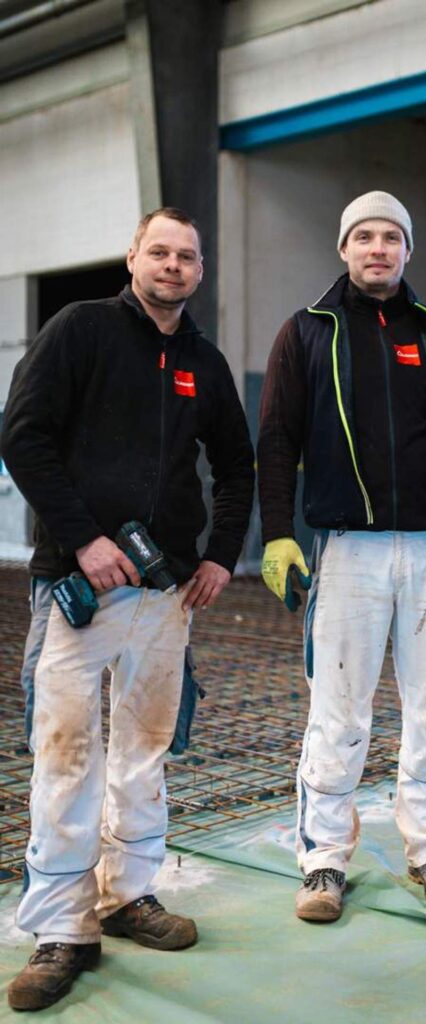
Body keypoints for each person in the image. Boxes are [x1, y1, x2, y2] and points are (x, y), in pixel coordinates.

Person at [1, 207, 255, 1010]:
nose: (173, 265)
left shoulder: (204, 363)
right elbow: (22, 435)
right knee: (67, 754)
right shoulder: (80, 330)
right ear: (133, 257)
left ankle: (129, 893)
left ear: (200, 270)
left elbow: (238, 465)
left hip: (164, 593)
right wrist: (83, 541)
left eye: (187, 256)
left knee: (145, 753)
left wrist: (219, 555)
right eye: (160, 252)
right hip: (81, 590)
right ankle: (61, 928)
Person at [257, 190, 426, 923]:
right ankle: (321, 863)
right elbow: (276, 436)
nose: (377, 248)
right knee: (339, 713)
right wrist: (275, 530)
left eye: (391, 238)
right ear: (343, 249)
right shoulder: (307, 332)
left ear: (408, 250)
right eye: (364, 237)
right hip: (347, 554)